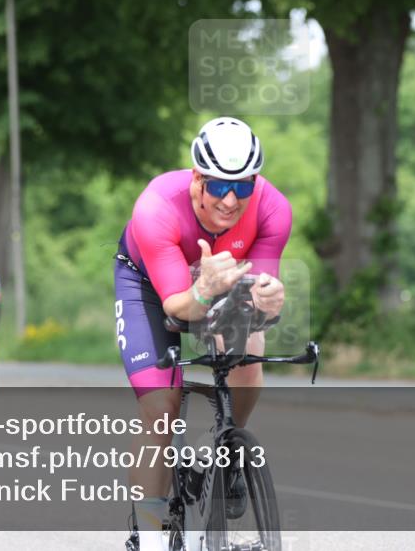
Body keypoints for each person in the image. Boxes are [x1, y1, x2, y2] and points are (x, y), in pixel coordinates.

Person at [114, 117, 290, 551]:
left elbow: (258, 294)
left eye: (243, 187)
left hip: (224, 278)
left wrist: (268, 304)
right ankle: (150, 533)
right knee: (161, 408)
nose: (231, 200)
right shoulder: (156, 208)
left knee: (249, 360)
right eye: (217, 187)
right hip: (151, 288)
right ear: (196, 178)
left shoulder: (273, 209)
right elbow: (177, 309)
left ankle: (229, 452)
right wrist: (204, 289)